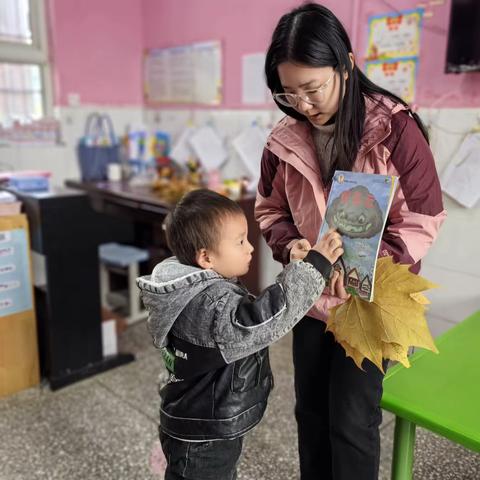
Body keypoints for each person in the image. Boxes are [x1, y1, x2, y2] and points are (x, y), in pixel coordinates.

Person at [255, 3, 446, 480]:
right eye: (288, 92)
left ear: (346, 65)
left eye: (312, 88)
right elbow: (269, 210)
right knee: (311, 415)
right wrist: (290, 247)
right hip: (309, 299)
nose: (302, 104)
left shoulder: (394, 129)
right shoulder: (283, 140)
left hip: (370, 302)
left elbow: (423, 216)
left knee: (352, 422)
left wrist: (369, 265)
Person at [137, 188, 344, 480]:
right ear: (206, 257)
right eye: (240, 241)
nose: (250, 248)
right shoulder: (211, 305)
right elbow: (265, 318)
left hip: (197, 423)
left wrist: (297, 267)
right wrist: (316, 265)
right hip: (204, 435)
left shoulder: (188, 284)